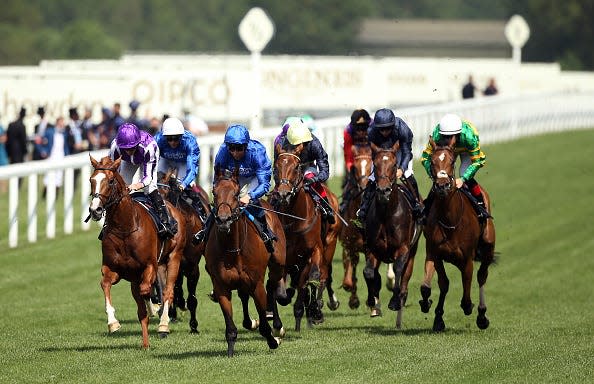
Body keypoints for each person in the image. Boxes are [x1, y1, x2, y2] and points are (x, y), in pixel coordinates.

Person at [192, 124, 277, 252]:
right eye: (232, 148)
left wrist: (250, 196)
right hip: (234, 178)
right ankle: (205, 231)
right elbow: (218, 180)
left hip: (253, 178)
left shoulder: (258, 153)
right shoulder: (223, 153)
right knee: (222, 202)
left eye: (239, 148)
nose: (235, 152)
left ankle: (265, 232)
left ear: (246, 145)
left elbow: (264, 184)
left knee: (251, 202)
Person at [356, 108, 423, 226]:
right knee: (371, 178)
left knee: (408, 174)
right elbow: (373, 154)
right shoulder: (371, 131)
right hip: (381, 153)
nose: (385, 132)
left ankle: (417, 204)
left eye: (388, 128)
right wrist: (380, 166)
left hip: (400, 152)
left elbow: (407, 152)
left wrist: (401, 168)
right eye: (381, 129)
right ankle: (364, 208)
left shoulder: (403, 129)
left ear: (393, 125)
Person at [109, 123, 177, 238]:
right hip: (127, 162)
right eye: (125, 149)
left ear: (138, 143)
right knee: (121, 187)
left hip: (146, 160)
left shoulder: (150, 147)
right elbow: (112, 171)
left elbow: (148, 177)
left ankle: (165, 220)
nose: (129, 151)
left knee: (149, 188)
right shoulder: (115, 146)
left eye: (131, 148)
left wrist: (137, 185)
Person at [420, 113, 490, 221]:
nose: (447, 140)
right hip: (446, 152)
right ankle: (427, 208)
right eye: (445, 137)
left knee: (463, 171)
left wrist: (463, 179)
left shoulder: (469, 137)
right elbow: (425, 158)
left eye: (450, 137)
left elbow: (477, 161)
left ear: (458, 134)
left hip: (465, 150)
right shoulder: (436, 135)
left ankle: (480, 204)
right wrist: (434, 174)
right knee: (440, 177)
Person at [278, 118, 335, 224]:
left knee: (308, 176)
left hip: (307, 167)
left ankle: (325, 206)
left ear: (304, 142)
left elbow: (325, 171)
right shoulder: (284, 142)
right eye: (292, 145)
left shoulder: (315, 144)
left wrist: (314, 179)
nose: (294, 149)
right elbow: (279, 164)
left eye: (296, 146)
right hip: (291, 168)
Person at [154, 117, 206, 220]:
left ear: (181, 136)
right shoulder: (157, 140)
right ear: (164, 137)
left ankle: (202, 212)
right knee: (157, 183)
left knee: (186, 186)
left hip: (183, 163)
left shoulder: (190, 142)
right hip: (166, 161)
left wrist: (182, 185)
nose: (173, 142)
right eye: (169, 138)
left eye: (176, 138)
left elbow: (192, 170)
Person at [339, 108, 372, 214]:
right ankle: (345, 202)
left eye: (363, 128)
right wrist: (351, 169)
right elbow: (348, 153)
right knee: (349, 182)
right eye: (358, 128)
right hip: (355, 158)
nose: (361, 131)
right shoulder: (348, 131)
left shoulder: (374, 127)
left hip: (371, 155)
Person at [36, 116, 70, 196]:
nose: (62, 124)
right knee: (49, 175)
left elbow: (65, 146)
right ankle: (45, 195)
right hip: (51, 156)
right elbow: (38, 140)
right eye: (61, 122)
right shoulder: (49, 131)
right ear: (57, 122)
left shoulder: (64, 133)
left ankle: (56, 195)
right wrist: (43, 151)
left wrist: (67, 155)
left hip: (60, 156)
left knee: (59, 176)